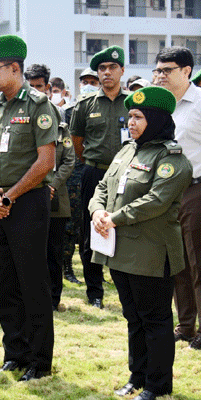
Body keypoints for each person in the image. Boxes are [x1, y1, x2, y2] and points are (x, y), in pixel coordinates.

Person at [89, 86, 192, 400]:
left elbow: (156, 201)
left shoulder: (171, 157)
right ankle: (137, 377)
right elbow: (103, 186)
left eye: (138, 117)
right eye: (130, 116)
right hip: (119, 250)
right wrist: (96, 210)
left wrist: (113, 218)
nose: (130, 122)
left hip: (150, 252)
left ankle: (157, 386)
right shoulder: (127, 150)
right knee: (133, 317)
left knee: (155, 320)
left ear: (157, 119)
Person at [0, 35, 56, 381]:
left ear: (15, 68)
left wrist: (9, 196)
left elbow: (45, 161)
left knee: (32, 282)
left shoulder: (38, 105)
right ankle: (15, 352)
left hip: (27, 203)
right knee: (6, 281)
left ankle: (39, 362)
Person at [69, 45, 130, 309]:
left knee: (127, 228)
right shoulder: (85, 105)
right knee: (91, 230)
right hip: (94, 172)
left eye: (112, 68)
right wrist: (93, 164)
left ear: (122, 71)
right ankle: (94, 292)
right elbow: (77, 142)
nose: (107, 73)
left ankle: (126, 284)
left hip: (129, 174)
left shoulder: (133, 103)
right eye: (102, 69)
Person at [153, 46, 201, 350]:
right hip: (165, 193)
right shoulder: (159, 105)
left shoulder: (199, 104)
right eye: (157, 70)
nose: (160, 76)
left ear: (186, 71)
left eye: (166, 70)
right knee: (177, 263)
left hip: (195, 189)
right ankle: (185, 325)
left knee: (198, 262)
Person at [61, 67, 101, 285]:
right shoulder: (68, 111)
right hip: (73, 173)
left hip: (94, 171)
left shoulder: (103, 108)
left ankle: (99, 269)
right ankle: (67, 266)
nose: (88, 85)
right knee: (71, 224)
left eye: (93, 82)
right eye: (84, 81)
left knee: (95, 224)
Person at [48, 114, 75, 311]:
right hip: (26, 195)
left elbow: (69, 161)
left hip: (55, 197)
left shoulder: (62, 130)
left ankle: (53, 298)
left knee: (54, 251)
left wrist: (51, 185)